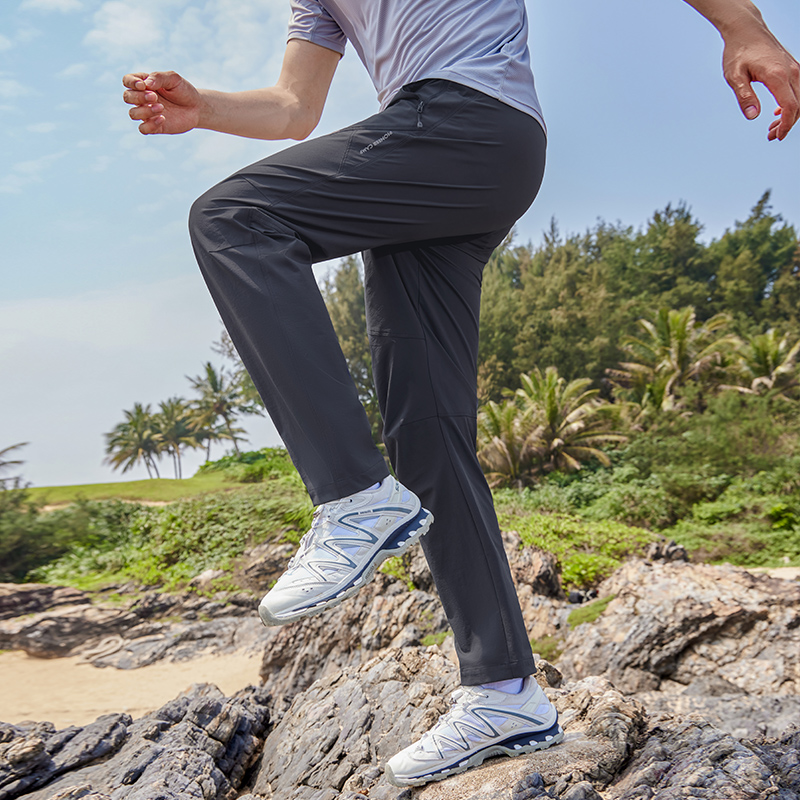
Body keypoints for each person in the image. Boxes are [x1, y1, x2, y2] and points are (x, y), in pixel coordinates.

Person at [123, 0, 799, 787]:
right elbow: (294, 109)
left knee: (235, 217)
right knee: (428, 433)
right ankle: (504, 690)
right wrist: (205, 108)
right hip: (436, 161)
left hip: (468, 122)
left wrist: (742, 26)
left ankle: (351, 497)